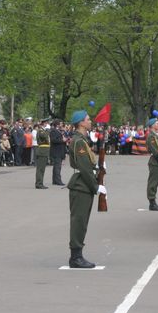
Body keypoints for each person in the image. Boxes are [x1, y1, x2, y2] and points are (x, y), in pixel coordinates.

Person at [66, 110, 105, 268]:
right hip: (81, 185)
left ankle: (78, 254)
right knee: (79, 222)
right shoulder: (79, 141)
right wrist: (96, 186)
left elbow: (88, 164)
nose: (90, 121)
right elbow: (83, 167)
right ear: (81, 123)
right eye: (88, 119)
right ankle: (75, 257)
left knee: (82, 221)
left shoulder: (82, 139)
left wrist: (98, 167)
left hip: (84, 185)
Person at [145, 117, 158, 211]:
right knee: (153, 183)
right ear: (152, 126)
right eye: (157, 123)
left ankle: (153, 202)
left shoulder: (156, 135)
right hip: (155, 162)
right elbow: (157, 151)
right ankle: (152, 203)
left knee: (155, 183)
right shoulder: (151, 136)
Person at [49, 120, 67, 185]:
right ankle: (58, 180)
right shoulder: (53, 131)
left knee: (56, 166)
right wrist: (62, 140)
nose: (61, 124)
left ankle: (55, 180)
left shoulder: (58, 131)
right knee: (57, 167)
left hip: (59, 151)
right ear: (57, 124)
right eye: (60, 123)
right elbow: (54, 140)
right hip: (57, 151)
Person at [34, 118, 50, 189]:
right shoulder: (41, 131)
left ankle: (40, 183)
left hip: (44, 151)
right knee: (40, 169)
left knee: (42, 169)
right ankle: (39, 184)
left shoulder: (44, 130)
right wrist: (48, 131)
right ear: (44, 123)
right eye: (46, 123)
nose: (47, 124)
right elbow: (45, 137)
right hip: (42, 151)